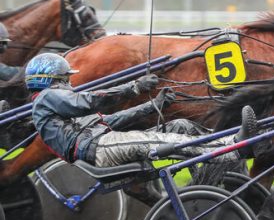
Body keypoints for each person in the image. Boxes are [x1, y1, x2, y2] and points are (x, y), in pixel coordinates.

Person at [26, 53, 257, 169]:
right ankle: (232, 151)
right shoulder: (48, 98)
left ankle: (229, 140)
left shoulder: (59, 104)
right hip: (97, 150)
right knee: (156, 139)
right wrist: (133, 87)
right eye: (66, 78)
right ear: (52, 79)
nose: (70, 82)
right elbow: (90, 101)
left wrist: (153, 105)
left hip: (103, 142)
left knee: (181, 126)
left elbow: (113, 119)